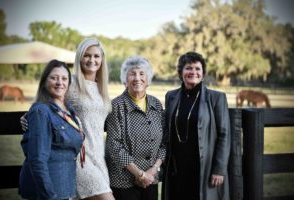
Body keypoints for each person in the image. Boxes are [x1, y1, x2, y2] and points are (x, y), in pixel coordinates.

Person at [20, 38, 115, 200]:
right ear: (79, 57)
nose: (92, 60)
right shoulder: (70, 82)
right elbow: (48, 100)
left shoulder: (102, 88)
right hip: (79, 157)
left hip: (98, 156)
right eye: (87, 55)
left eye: (96, 56)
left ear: (102, 59)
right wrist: (28, 116)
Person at [161, 51, 231, 200]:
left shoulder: (216, 98)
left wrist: (219, 169)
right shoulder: (171, 96)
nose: (193, 72)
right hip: (177, 167)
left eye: (197, 69)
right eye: (188, 68)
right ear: (181, 72)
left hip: (204, 167)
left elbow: (224, 135)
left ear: (203, 73)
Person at [18, 59, 84, 200]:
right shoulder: (41, 112)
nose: (60, 82)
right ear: (44, 81)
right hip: (47, 192)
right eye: (54, 78)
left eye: (64, 78)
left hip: (64, 187)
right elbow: (37, 160)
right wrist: (49, 196)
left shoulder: (68, 111)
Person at [105, 56, 166, 200]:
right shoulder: (116, 106)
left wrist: (153, 170)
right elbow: (114, 145)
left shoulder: (156, 104)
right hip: (123, 182)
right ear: (125, 80)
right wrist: (139, 174)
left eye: (141, 73)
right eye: (132, 74)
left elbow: (164, 143)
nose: (137, 78)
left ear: (148, 79)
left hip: (151, 179)